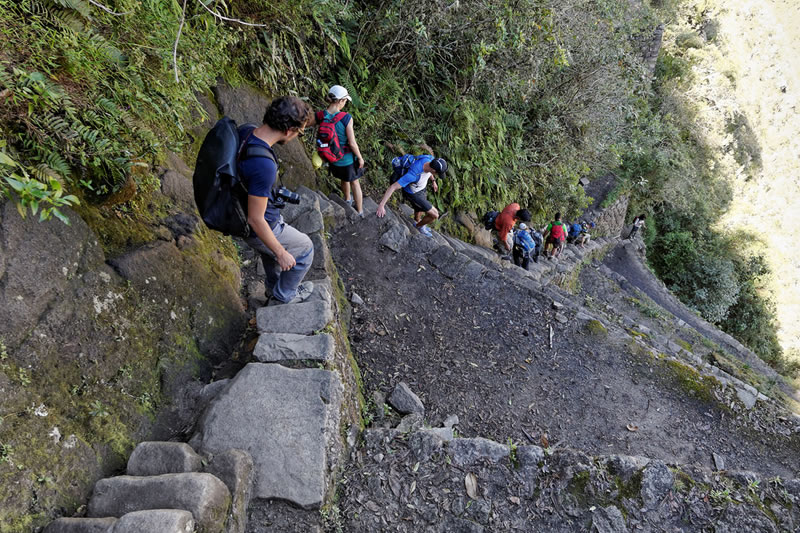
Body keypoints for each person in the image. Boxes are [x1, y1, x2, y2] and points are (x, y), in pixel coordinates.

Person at [241, 96, 315, 305]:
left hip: (243, 214)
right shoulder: (263, 165)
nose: (297, 137)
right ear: (289, 130)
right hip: (258, 226)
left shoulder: (246, 131)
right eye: (299, 132)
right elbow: (255, 219)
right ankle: (285, 296)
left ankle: (274, 288)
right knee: (305, 248)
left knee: (269, 253)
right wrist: (281, 253)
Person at [311, 85, 366, 217]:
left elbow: (307, 122)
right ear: (340, 100)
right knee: (355, 182)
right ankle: (359, 211)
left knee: (343, 178)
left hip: (332, 159)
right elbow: (352, 143)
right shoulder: (346, 118)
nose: (345, 103)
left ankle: (347, 200)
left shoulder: (321, 115)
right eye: (345, 101)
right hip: (346, 159)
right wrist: (360, 157)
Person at [376, 155, 448, 237]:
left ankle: (417, 222)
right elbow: (393, 187)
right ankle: (419, 226)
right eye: (438, 174)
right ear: (433, 170)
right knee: (435, 215)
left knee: (419, 210)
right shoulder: (413, 174)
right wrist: (381, 205)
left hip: (421, 188)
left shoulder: (429, 159)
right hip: (413, 193)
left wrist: (433, 181)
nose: (438, 175)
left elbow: (429, 171)